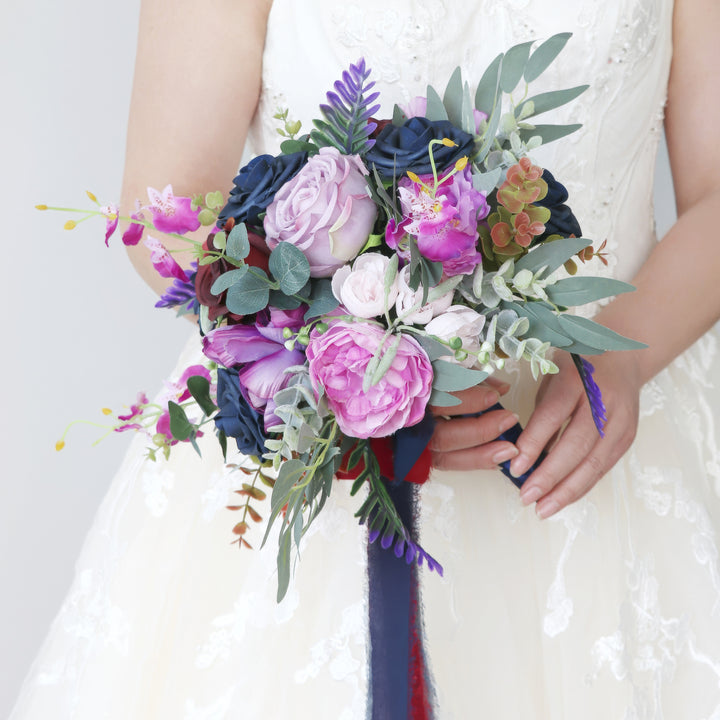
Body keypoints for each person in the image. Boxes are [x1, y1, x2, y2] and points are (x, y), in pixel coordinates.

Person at [11, 0, 720, 717]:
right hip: (318, 463)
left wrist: (626, 355)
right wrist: (358, 377)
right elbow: (163, 210)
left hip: (604, 445)